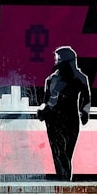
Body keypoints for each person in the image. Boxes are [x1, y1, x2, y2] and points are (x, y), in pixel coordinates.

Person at [37, 46, 91, 181]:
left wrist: (84, 112)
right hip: (54, 121)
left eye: (58, 58)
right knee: (60, 153)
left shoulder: (80, 78)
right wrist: (84, 113)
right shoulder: (51, 80)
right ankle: (65, 183)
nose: (56, 61)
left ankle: (64, 183)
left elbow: (86, 98)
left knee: (66, 154)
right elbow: (46, 101)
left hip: (70, 121)